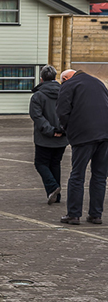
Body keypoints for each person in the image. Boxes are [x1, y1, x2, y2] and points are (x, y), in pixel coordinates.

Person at [56, 69, 108, 225]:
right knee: (100, 176)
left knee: (77, 175)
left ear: (65, 78)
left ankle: (73, 214)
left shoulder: (69, 85)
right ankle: (96, 215)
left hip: (83, 136)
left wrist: (68, 129)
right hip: (105, 135)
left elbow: (62, 111)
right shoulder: (98, 82)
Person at [29, 65, 68, 204]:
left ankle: (53, 188)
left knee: (41, 163)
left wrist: (51, 131)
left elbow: (37, 117)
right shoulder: (65, 93)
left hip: (44, 138)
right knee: (55, 163)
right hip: (63, 137)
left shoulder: (37, 96)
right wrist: (62, 130)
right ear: (55, 77)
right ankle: (56, 196)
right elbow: (70, 113)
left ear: (41, 79)